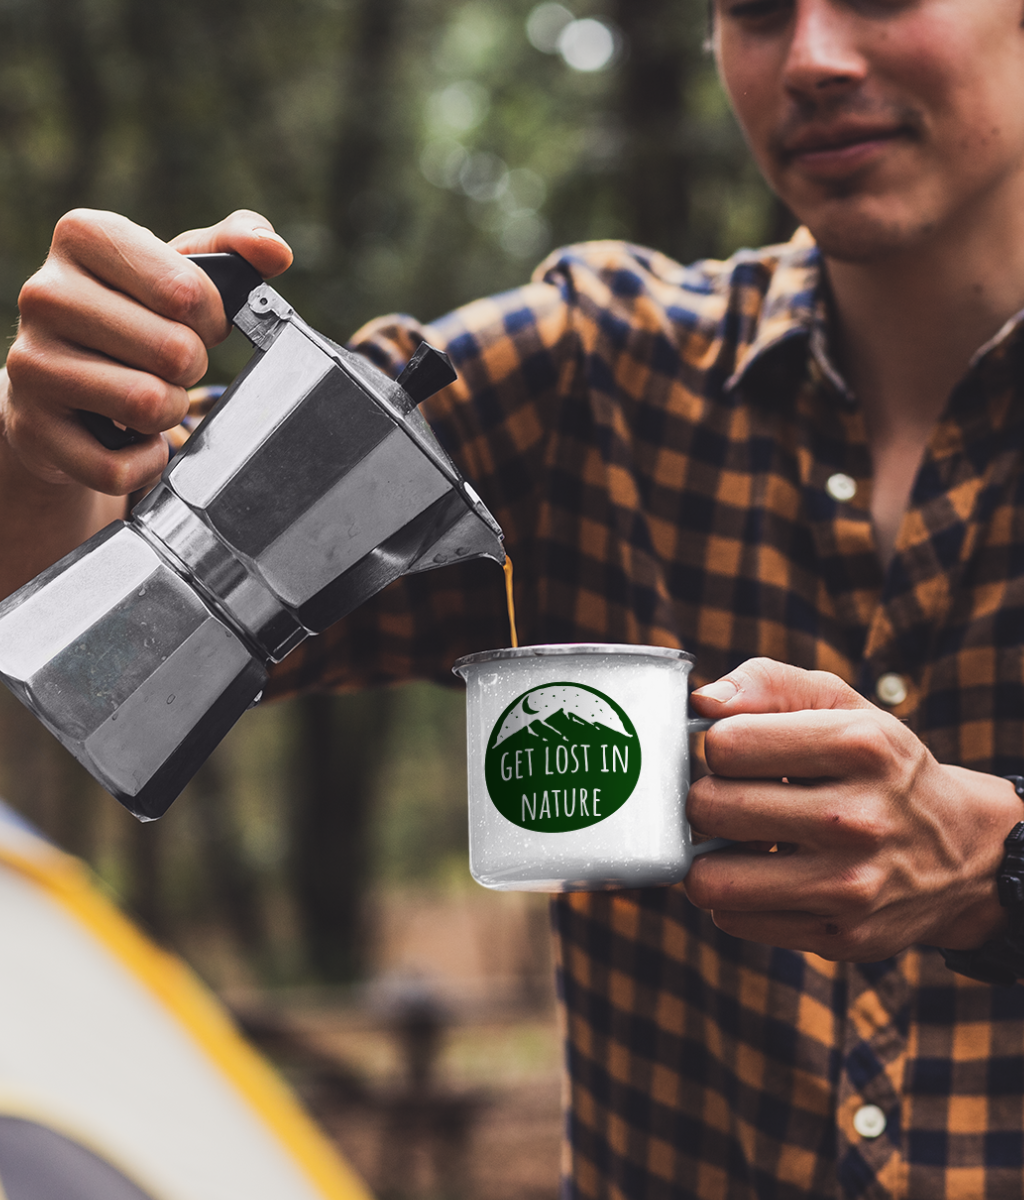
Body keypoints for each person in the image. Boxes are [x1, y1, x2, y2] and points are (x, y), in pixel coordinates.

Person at [4, 0, 1024, 1194]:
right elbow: (87, 614)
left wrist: (989, 864)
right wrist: (52, 442)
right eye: (754, 10)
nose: (811, 59)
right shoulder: (595, 371)